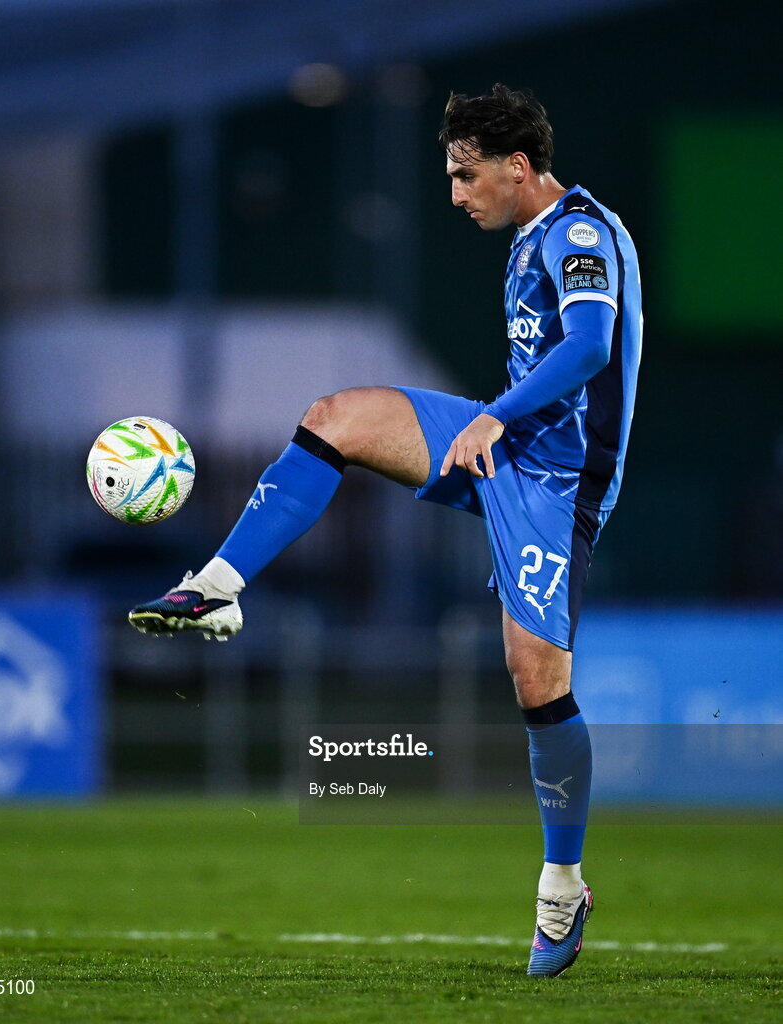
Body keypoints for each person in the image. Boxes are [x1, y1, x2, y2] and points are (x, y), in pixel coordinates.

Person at [128, 83, 642, 978]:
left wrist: (494, 418)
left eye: (466, 174)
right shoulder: (526, 233)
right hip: (506, 435)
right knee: (336, 416)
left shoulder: (581, 233)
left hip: (558, 482)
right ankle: (215, 586)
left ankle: (563, 883)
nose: (455, 193)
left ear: (518, 166)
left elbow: (592, 345)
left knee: (536, 683)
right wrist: (494, 420)